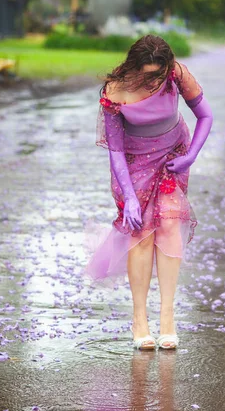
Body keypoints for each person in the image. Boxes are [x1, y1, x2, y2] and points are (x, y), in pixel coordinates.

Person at [82, 34, 213, 350]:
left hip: (172, 158)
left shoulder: (176, 74)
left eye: (159, 75)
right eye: (148, 76)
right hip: (133, 165)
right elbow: (115, 150)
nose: (154, 83)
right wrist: (128, 196)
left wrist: (191, 156)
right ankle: (139, 320)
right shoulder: (115, 91)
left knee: (169, 225)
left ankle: (167, 316)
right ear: (134, 66)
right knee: (140, 235)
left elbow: (205, 116)